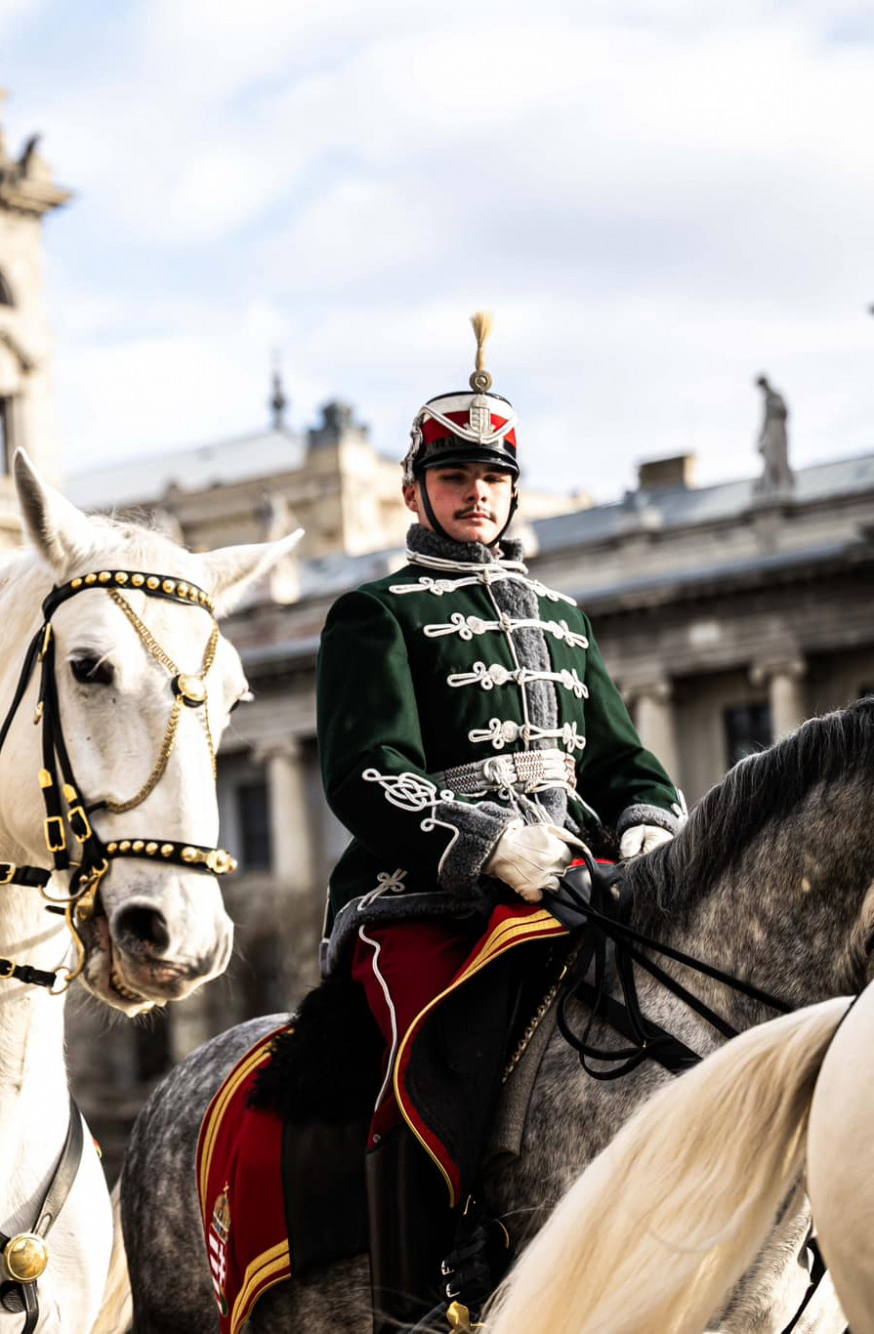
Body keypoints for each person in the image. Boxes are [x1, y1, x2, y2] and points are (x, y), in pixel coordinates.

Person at [314, 314, 685, 1329]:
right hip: (426, 893)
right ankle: (418, 1291)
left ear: (511, 491)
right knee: (441, 1040)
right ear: (414, 492)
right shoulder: (376, 611)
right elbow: (365, 771)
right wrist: (489, 844)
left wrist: (647, 823)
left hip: (577, 877)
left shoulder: (562, 617)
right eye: (452, 476)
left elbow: (620, 757)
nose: (473, 492)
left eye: (490, 477)